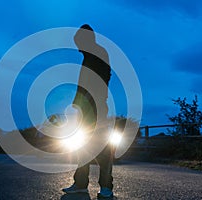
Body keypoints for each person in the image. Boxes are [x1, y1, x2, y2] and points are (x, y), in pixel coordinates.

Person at [62, 24, 114, 198]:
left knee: (102, 147)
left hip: (97, 107)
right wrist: (76, 103)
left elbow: (105, 77)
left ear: (85, 39)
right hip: (85, 108)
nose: (77, 47)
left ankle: (106, 186)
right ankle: (81, 184)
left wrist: (98, 98)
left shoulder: (99, 53)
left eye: (78, 43)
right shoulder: (87, 57)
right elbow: (83, 84)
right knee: (82, 145)